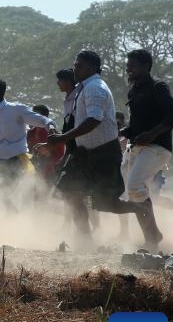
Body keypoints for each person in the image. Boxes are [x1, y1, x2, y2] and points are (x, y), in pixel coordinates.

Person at [43, 50, 158, 247]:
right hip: (83, 154)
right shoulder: (82, 88)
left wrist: (62, 138)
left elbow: (93, 120)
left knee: (108, 204)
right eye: (75, 65)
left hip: (103, 154)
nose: (75, 69)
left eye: (79, 65)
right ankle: (84, 240)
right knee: (71, 194)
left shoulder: (95, 88)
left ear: (93, 68)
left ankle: (142, 211)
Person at [116, 49, 173, 248]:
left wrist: (152, 134)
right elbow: (136, 125)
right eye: (128, 65)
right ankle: (152, 235)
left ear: (146, 66)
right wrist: (122, 132)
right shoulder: (134, 91)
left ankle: (153, 235)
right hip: (136, 148)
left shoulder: (158, 87)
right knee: (131, 191)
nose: (128, 68)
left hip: (157, 148)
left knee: (135, 186)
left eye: (132, 65)